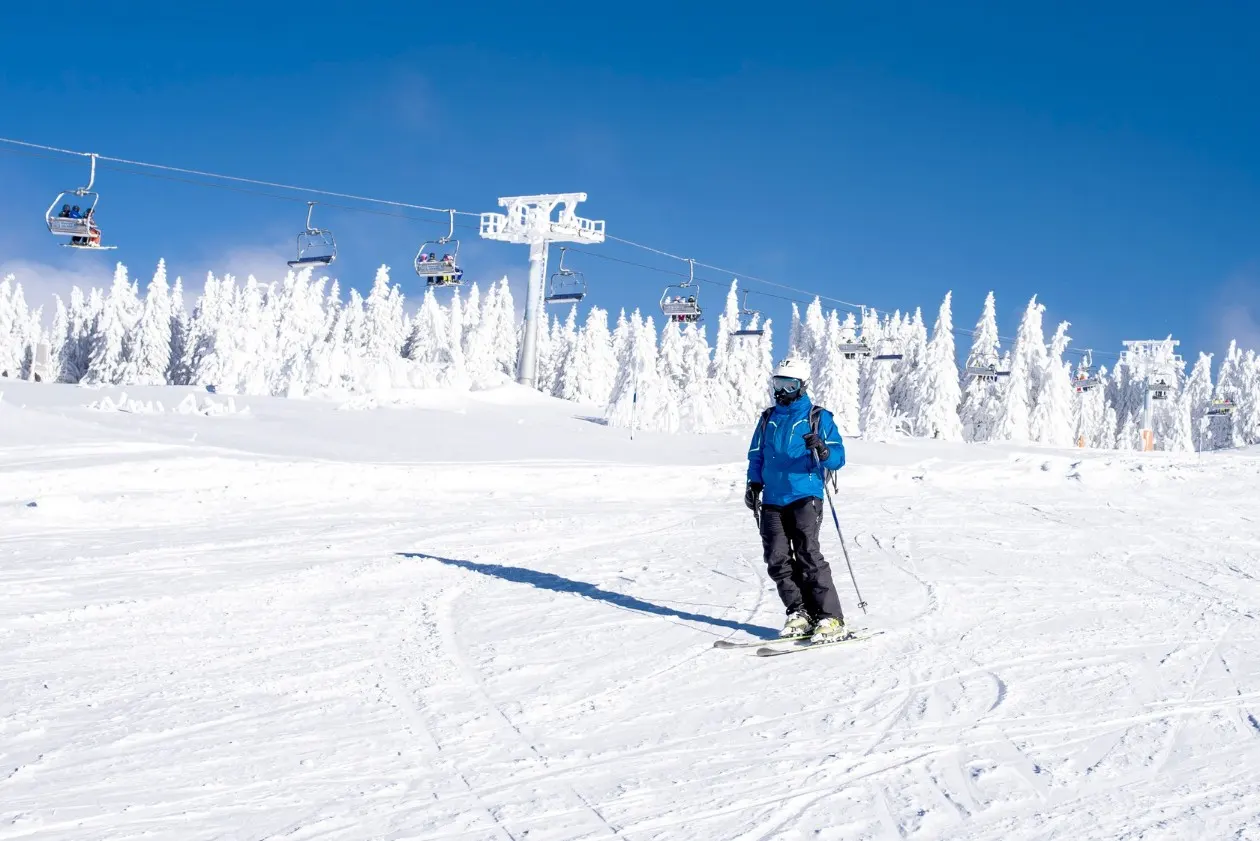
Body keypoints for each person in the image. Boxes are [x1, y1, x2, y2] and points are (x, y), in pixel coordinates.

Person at [744, 356, 848, 643]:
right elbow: (757, 455)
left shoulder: (818, 417)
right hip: (773, 498)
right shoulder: (768, 418)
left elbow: (839, 458)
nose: (781, 391)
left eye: (788, 385)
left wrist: (823, 450)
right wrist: (753, 484)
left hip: (805, 494)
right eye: (778, 383)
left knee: (807, 555)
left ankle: (830, 617)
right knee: (776, 559)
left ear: (801, 386)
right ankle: (799, 613)